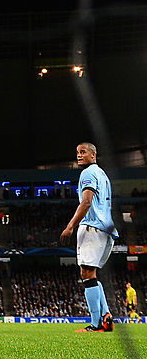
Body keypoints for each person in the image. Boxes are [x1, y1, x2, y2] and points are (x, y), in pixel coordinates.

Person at [61, 142, 118, 333]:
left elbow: (86, 202)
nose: (79, 155)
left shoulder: (88, 173)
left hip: (93, 227)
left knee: (86, 274)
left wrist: (70, 226)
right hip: (106, 228)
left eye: (83, 152)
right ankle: (106, 316)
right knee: (91, 274)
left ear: (93, 155)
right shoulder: (103, 174)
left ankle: (95, 325)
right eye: (77, 152)